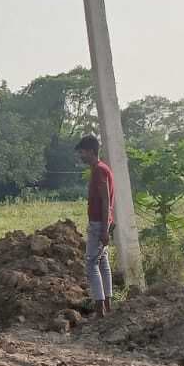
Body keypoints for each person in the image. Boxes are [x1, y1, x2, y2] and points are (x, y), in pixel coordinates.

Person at [76, 134, 116, 318]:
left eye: (82, 152)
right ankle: (107, 304)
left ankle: (100, 308)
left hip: (98, 223)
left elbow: (105, 199)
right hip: (103, 222)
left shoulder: (99, 170)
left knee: (91, 263)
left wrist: (105, 230)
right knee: (103, 263)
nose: (81, 155)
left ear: (91, 151)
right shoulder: (101, 168)